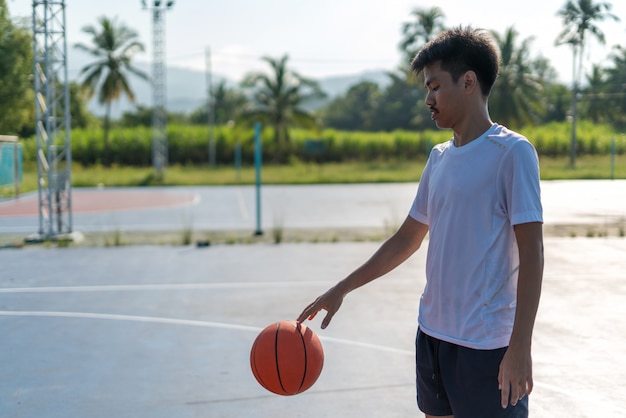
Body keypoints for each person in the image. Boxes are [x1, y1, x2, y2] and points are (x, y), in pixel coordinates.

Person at [297, 26, 544, 418]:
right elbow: (407, 239)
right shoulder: (439, 158)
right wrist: (342, 288)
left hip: (486, 346)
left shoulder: (512, 153)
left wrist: (520, 348)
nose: (428, 99)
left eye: (434, 87)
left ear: (467, 82)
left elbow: (532, 252)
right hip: (432, 335)